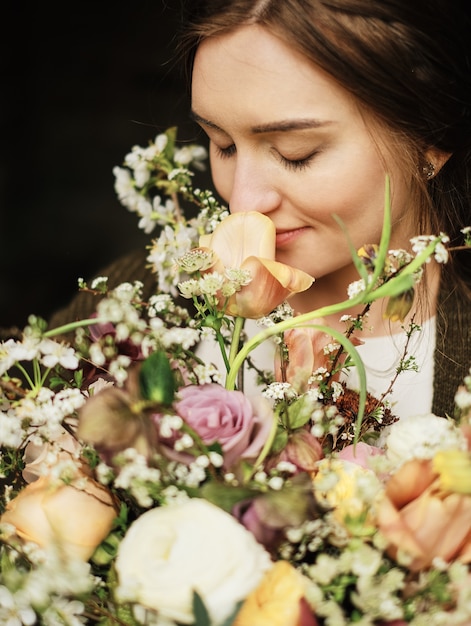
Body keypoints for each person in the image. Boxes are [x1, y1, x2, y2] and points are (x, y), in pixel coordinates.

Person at [50, 0, 471, 420]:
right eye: (222, 144)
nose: (243, 202)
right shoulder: (143, 300)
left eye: (296, 153)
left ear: (429, 137)